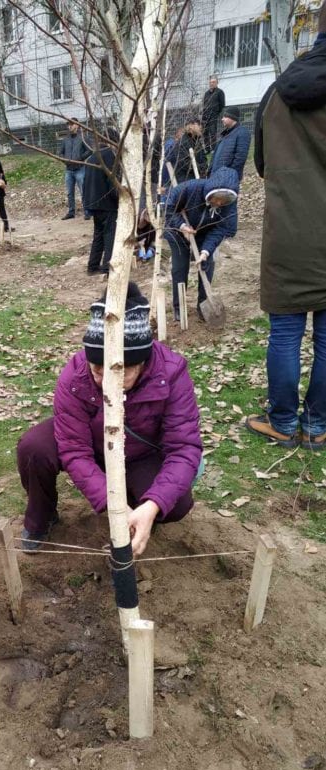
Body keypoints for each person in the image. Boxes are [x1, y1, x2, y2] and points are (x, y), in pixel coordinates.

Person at [17, 283, 202, 554]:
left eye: (119, 372)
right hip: (91, 443)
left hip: (140, 453)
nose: (105, 382)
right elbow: (73, 449)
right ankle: (41, 517)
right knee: (34, 447)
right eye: (97, 370)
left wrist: (152, 505)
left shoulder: (171, 372)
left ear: (142, 362)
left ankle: (140, 512)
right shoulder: (75, 375)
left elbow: (184, 449)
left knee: (176, 504)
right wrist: (110, 503)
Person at [246, 6, 326, 451]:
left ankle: (282, 421)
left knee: (285, 334)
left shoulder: (276, 93)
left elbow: (261, 165)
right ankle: (316, 426)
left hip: (288, 235)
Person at [164, 166, 238, 321]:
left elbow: (221, 229)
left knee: (206, 265)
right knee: (180, 267)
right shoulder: (190, 188)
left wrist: (205, 252)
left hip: (204, 232)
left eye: (223, 200)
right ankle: (179, 307)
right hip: (178, 231)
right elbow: (168, 210)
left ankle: (203, 306)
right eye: (216, 198)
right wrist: (182, 226)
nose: (218, 202)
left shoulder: (228, 205)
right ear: (211, 189)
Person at [82, 135, 119, 276]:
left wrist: (87, 203)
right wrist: (118, 198)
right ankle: (106, 267)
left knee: (98, 235)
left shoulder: (92, 157)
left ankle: (93, 266)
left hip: (94, 203)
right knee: (110, 235)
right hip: (107, 203)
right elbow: (111, 181)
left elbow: (85, 183)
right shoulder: (109, 156)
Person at [209, 105, 251, 182]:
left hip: (227, 179)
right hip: (216, 177)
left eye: (225, 117)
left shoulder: (242, 132)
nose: (222, 119)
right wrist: (210, 171)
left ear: (232, 118)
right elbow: (215, 156)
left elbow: (240, 158)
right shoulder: (224, 134)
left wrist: (229, 175)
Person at [59, 118, 90, 220]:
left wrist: (81, 158)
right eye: (68, 125)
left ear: (77, 125)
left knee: (83, 191)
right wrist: (65, 160)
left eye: (71, 124)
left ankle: (87, 212)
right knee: (69, 193)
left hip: (80, 169)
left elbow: (90, 150)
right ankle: (71, 212)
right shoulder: (66, 139)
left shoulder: (83, 137)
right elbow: (60, 153)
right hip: (69, 170)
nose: (69, 126)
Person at [166, 116, 207, 183]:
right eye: (199, 124)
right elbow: (185, 164)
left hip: (197, 178)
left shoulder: (196, 141)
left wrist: (203, 167)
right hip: (186, 180)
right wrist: (201, 168)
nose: (201, 127)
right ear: (191, 126)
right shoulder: (183, 142)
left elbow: (204, 158)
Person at [202, 76, 226, 153]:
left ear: (217, 83)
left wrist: (216, 113)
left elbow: (222, 105)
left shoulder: (220, 92)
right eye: (210, 82)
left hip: (214, 115)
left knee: (212, 132)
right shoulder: (206, 93)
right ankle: (207, 149)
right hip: (205, 115)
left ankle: (213, 149)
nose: (211, 84)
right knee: (205, 132)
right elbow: (204, 104)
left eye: (213, 82)